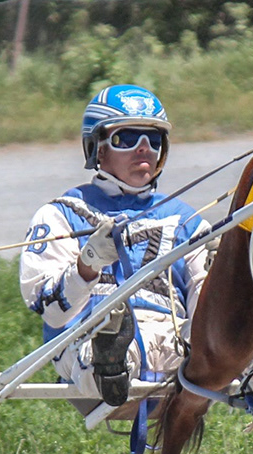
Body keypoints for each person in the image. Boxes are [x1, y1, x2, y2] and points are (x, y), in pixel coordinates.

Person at [19, 85, 209, 417]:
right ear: (98, 149)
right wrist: (86, 266)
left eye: (154, 140)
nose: (144, 150)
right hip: (90, 341)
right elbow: (51, 312)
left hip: (179, 345)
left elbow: (207, 299)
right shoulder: (61, 214)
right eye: (128, 138)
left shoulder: (187, 221)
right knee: (111, 347)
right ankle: (111, 350)